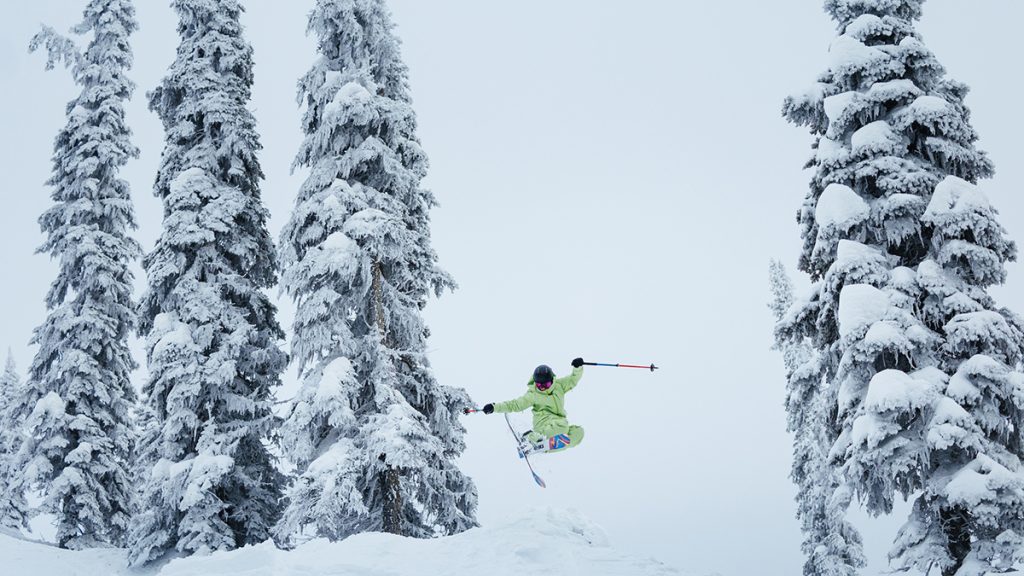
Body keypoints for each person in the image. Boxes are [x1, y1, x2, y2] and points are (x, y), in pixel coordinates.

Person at [483, 358, 586, 456]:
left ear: (552, 380)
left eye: (546, 384)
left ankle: (541, 446)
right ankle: (531, 438)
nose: (543, 388)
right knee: (562, 426)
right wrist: (494, 407)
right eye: (540, 386)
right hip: (543, 423)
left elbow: (573, 379)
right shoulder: (533, 394)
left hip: (558, 422)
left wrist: (578, 367)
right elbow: (515, 404)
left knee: (578, 433)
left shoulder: (559, 385)